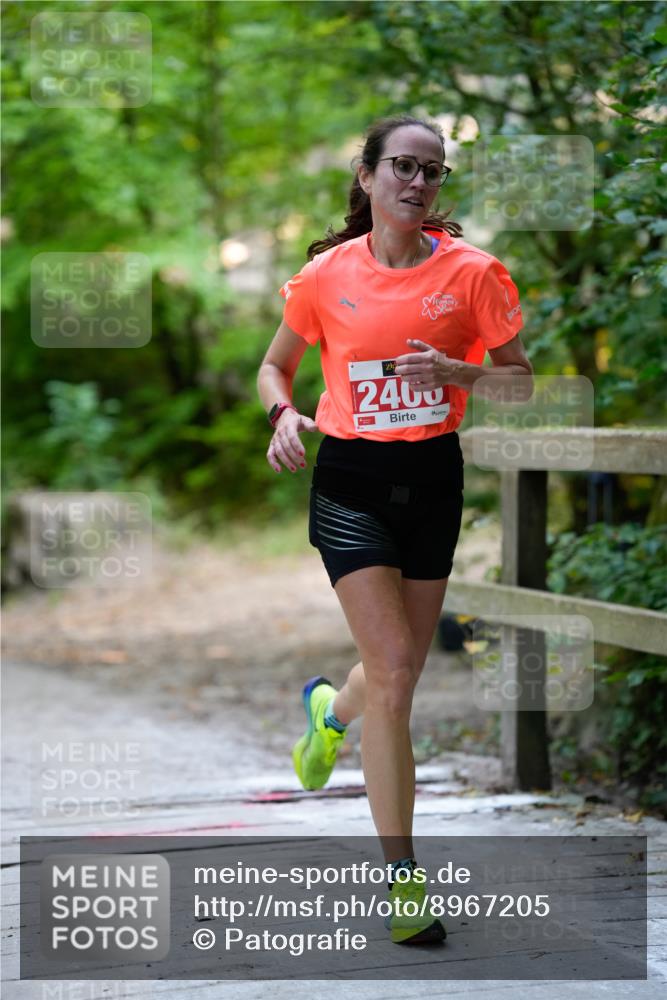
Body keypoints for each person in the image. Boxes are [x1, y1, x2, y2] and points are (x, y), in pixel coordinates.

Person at [257, 113, 533, 945]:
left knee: (388, 675)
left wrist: (463, 372)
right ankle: (402, 881)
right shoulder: (325, 275)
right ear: (367, 174)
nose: (417, 184)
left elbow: (519, 385)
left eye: (432, 172)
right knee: (400, 671)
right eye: (402, 168)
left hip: (431, 481)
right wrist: (280, 412)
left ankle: (329, 717)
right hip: (350, 482)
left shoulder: (476, 276)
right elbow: (276, 363)